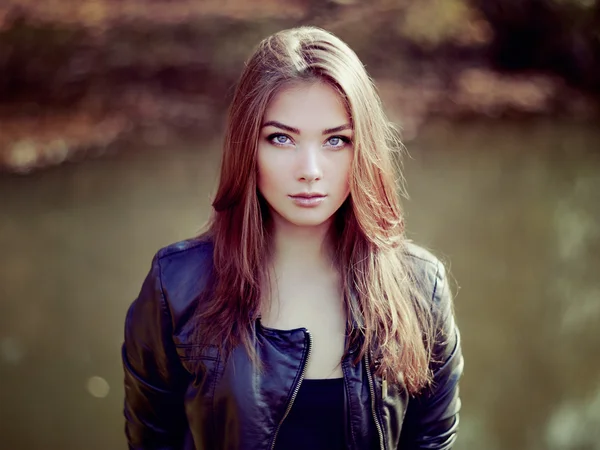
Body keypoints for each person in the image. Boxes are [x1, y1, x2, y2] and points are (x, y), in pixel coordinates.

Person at [122, 26, 463, 450]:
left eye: (336, 140)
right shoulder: (175, 287)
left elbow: (431, 441)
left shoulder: (420, 289)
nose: (310, 169)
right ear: (248, 146)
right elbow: (152, 441)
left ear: (366, 150)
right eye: (281, 138)